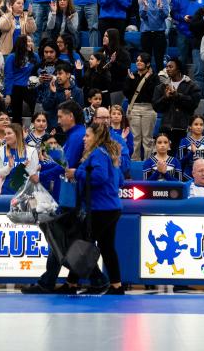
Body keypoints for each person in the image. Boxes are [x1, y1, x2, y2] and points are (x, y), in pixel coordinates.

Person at [72, 124, 125, 294]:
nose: (84, 139)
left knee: (83, 245)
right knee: (106, 246)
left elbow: (100, 177)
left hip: (101, 208)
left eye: (87, 136)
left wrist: (77, 174)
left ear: (96, 137)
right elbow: (120, 180)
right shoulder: (108, 153)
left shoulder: (98, 154)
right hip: (111, 207)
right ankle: (116, 285)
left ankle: (78, 283)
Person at [153, 58, 201, 139]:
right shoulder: (161, 87)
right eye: (167, 67)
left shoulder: (191, 85)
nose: (168, 69)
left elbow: (193, 104)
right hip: (166, 129)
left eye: (171, 67)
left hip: (184, 128)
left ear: (178, 69)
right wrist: (165, 97)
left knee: (183, 152)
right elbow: (156, 107)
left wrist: (177, 95)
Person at [123, 53, 159, 160]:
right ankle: (135, 162)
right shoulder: (131, 75)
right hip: (134, 107)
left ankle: (148, 163)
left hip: (149, 108)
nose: (138, 62)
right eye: (137, 60)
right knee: (135, 138)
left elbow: (151, 94)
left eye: (141, 61)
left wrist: (135, 81)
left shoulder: (154, 77)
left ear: (147, 64)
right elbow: (126, 93)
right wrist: (131, 80)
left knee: (147, 139)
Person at [176, 115, 204, 179]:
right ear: (190, 127)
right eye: (196, 124)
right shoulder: (184, 141)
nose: (199, 127)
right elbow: (180, 162)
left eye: (201, 125)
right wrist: (191, 153)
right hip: (187, 177)